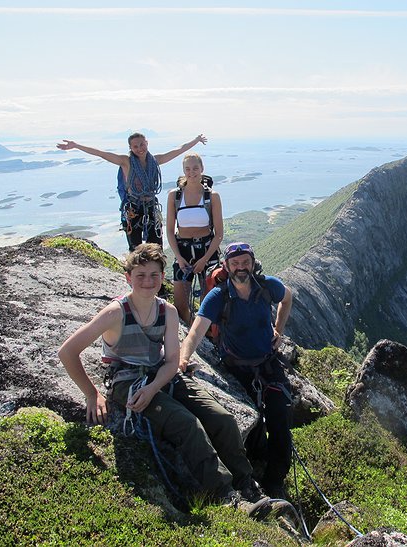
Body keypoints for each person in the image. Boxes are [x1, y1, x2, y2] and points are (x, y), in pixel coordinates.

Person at [57, 243, 278, 516]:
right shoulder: (116, 313)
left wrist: (153, 387)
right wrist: (92, 394)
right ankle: (227, 496)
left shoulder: (167, 311)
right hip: (128, 382)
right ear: (128, 277)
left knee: (222, 418)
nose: (148, 282)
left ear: (163, 277)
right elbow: (67, 352)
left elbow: (173, 361)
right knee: (188, 425)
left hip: (161, 375)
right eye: (140, 275)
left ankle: (247, 483)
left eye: (154, 275)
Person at [179, 241, 294, 499]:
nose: (241, 268)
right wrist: (183, 358)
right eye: (235, 263)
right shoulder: (218, 296)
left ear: (252, 263)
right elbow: (196, 331)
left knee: (280, 419)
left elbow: (287, 297)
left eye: (245, 262)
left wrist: (279, 329)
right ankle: (258, 464)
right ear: (226, 266)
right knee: (253, 425)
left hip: (267, 363)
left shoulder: (267, 286)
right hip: (237, 368)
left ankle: (275, 480)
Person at [57, 133, 207, 251]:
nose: (140, 148)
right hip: (133, 209)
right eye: (135, 146)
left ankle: (158, 285)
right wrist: (76, 145)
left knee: (156, 247)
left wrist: (196, 140)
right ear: (130, 148)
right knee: (135, 248)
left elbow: (179, 150)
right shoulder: (126, 162)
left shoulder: (155, 160)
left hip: (150, 208)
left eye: (142, 144)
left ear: (147, 143)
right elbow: (101, 153)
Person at [166, 153, 223, 323]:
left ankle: (207, 337)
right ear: (183, 171)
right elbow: (170, 230)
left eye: (195, 168)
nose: (191, 172)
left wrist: (204, 260)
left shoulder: (212, 196)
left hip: (207, 250)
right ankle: (193, 335)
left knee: (208, 303)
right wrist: (179, 258)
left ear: (202, 169)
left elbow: (219, 233)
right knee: (180, 305)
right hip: (182, 251)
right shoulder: (174, 196)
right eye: (187, 169)